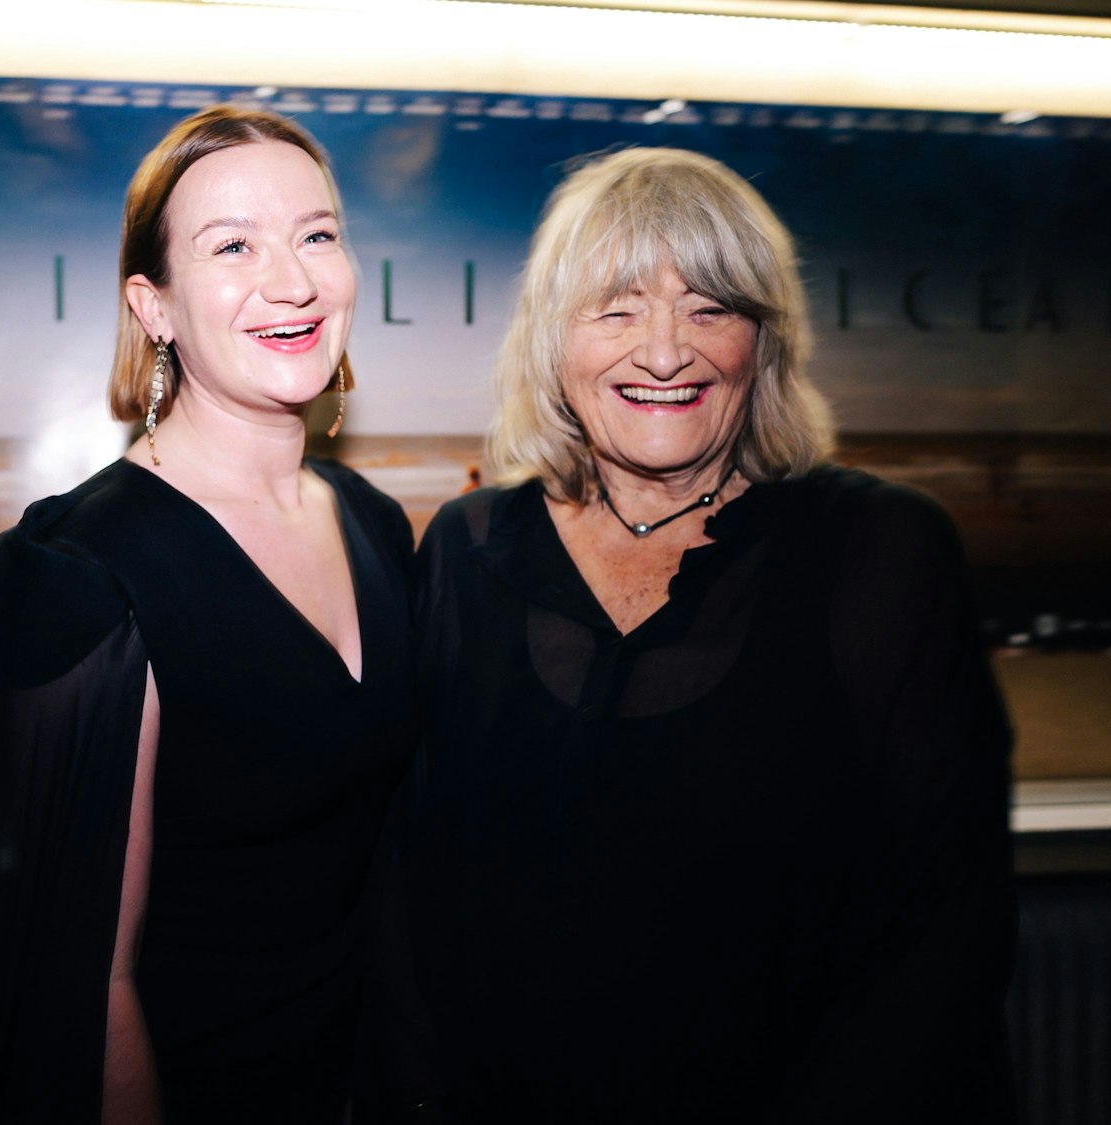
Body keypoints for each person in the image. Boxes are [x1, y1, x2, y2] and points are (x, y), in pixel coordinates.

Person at [363, 148, 1015, 1123]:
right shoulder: (466, 549)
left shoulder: (877, 550)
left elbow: (945, 921)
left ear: (763, 344)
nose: (664, 351)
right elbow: (410, 902)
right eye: (615, 308)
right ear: (550, 344)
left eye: (709, 308)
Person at [0, 107, 416, 1125]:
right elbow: (80, 986)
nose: (293, 280)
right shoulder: (75, 575)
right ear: (156, 307)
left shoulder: (374, 523)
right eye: (232, 246)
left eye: (317, 235)